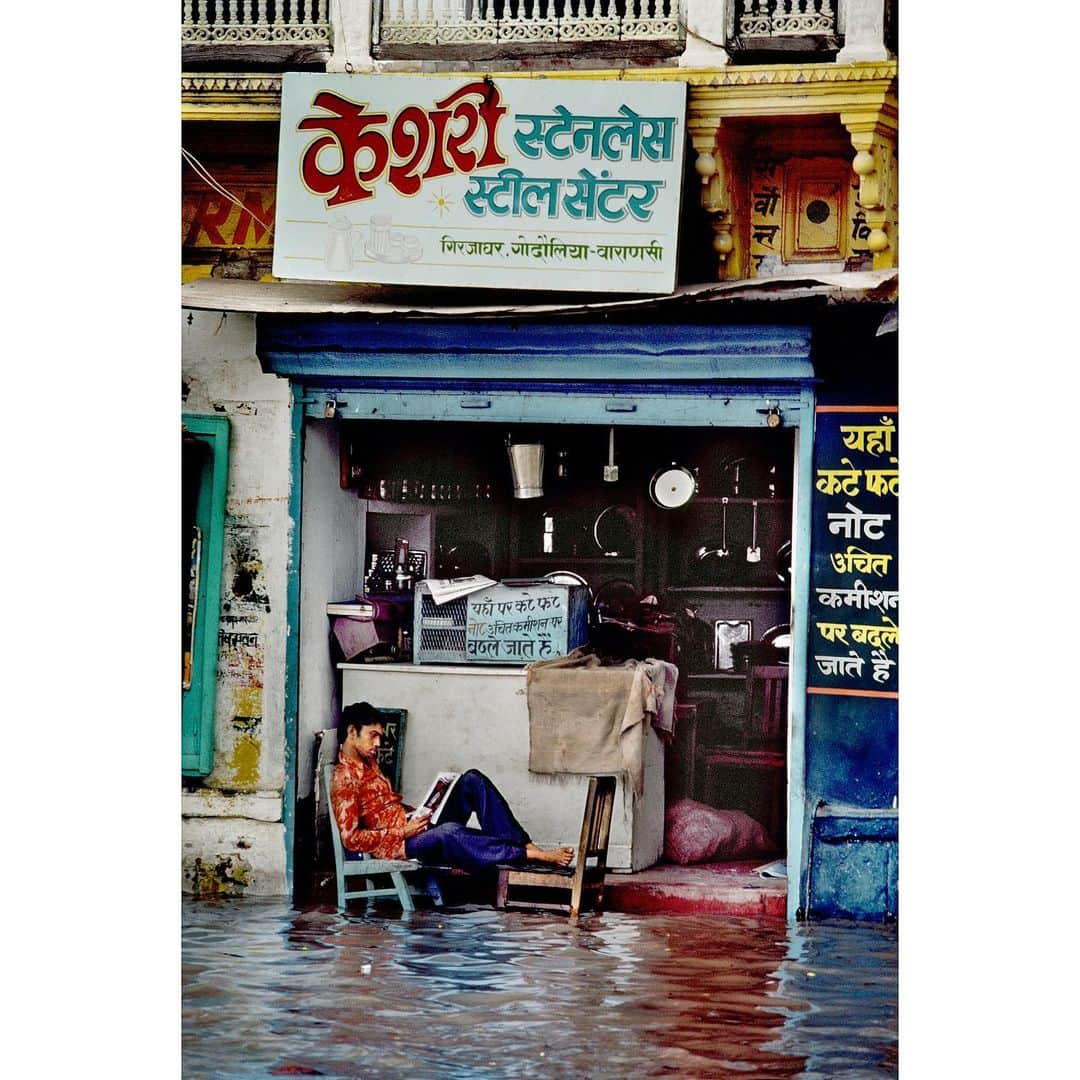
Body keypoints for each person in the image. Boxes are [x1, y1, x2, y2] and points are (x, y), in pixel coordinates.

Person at [330, 700, 574, 875]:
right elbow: (351, 839)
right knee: (450, 831)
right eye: (372, 735)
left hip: (412, 825)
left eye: (380, 736)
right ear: (352, 732)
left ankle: (526, 845)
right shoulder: (344, 779)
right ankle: (529, 856)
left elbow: (386, 806)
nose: (378, 743)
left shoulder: (369, 762)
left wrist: (421, 812)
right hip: (400, 845)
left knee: (471, 780)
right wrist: (404, 831)